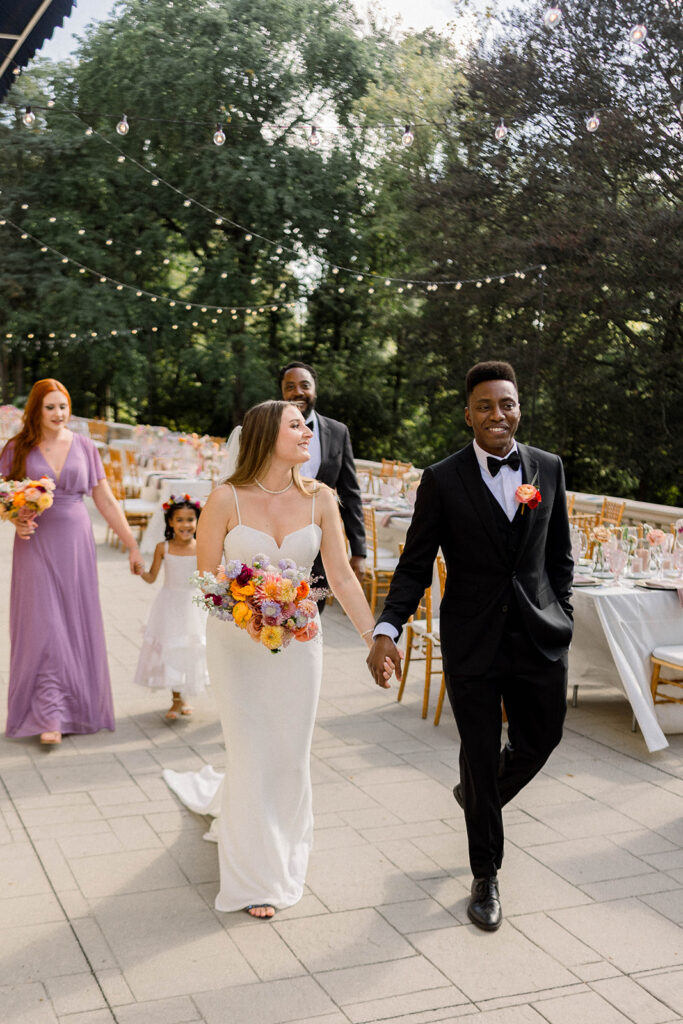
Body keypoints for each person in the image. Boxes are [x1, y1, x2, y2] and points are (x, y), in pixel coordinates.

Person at [163, 400, 392, 919]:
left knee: (288, 753)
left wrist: (372, 638)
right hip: (236, 646)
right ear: (268, 435)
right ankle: (253, 880)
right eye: (296, 425)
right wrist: (244, 604)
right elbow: (203, 583)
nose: (307, 432)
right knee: (249, 752)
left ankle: (283, 849)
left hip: (299, 646)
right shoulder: (225, 499)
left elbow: (341, 576)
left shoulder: (322, 499)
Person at [367, 361, 573, 932]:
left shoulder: (549, 469)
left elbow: (560, 559)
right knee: (479, 753)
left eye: (505, 404)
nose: (497, 415)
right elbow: (413, 567)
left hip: (538, 638)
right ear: (468, 414)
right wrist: (388, 629)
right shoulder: (443, 478)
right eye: (484, 406)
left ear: (518, 407)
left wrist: (565, 614)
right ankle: (486, 875)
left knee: (543, 737)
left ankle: (478, 798)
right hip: (473, 642)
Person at [0, 378, 145, 746]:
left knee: (73, 623)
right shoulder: (17, 447)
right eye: (50, 407)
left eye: (63, 406)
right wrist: (13, 516)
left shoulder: (84, 446)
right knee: (44, 626)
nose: (58, 414)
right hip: (35, 543)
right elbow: (3, 492)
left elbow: (106, 499)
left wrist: (132, 544)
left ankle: (74, 709)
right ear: (36, 409)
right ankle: (49, 714)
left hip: (78, 542)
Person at [279, 361, 366, 606]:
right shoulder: (268, 430)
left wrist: (358, 551)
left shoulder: (338, 432)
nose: (298, 392)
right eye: (290, 386)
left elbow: (350, 493)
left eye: (305, 385)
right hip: (274, 544)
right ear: (282, 393)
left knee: (311, 615)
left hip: (319, 546)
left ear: (315, 390)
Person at [133, 494, 209, 720]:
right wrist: (141, 571)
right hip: (169, 604)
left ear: (197, 522)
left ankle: (185, 694)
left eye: (190, 520)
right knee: (171, 647)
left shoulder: (201, 547)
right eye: (180, 520)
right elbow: (151, 577)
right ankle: (176, 699)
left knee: (190, 647)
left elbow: (207, 578)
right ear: (170, 523)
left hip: (194, 605)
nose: (185, 525)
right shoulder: (162, 548)